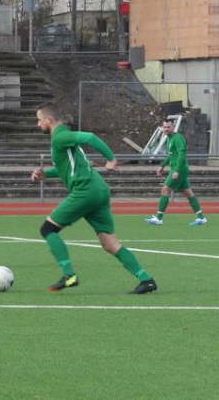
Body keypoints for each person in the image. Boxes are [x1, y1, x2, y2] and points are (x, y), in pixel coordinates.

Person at [30, 102, 157, 294]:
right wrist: (45, 174)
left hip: (85, 190)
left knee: (48, 229)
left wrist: (111, 158)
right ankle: (146, 280)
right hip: (98, 189)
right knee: (110, 244)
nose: (38, 124)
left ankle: (69, 275)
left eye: (39, 120)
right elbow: (66, 169)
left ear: (49, 120)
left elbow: (90, 137)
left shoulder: (60, 137)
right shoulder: (62, 137)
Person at [145, 118, 206, 226]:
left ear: (173, 127)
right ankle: (201, 217)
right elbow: (171, 155)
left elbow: (182, 154)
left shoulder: (177, 138)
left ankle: (159, 218)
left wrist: (177, 170)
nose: (166, 129)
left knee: (165, 190)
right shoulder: (169, 138)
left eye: (168, 127)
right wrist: (162, 166)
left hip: (179, 169)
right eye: (164, 127)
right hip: (179, 169)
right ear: (162, 128)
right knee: (188, 193)